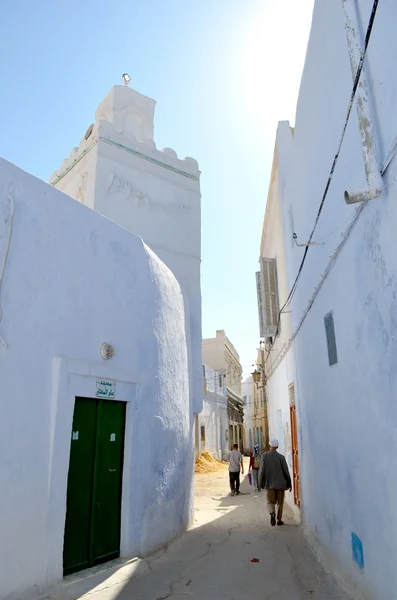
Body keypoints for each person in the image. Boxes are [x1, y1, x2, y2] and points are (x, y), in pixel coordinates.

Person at [259, 438, 292, 526]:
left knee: (270, 501)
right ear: (277, 446)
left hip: (269, 484)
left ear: (270, 446)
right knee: (280, 502)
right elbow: (286, 471)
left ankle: (272, 512)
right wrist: (289, 483)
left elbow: (261, 471)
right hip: (281, 484)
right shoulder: (281, 457)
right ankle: (279, 519)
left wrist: (260, 483)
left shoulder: (264, 456)